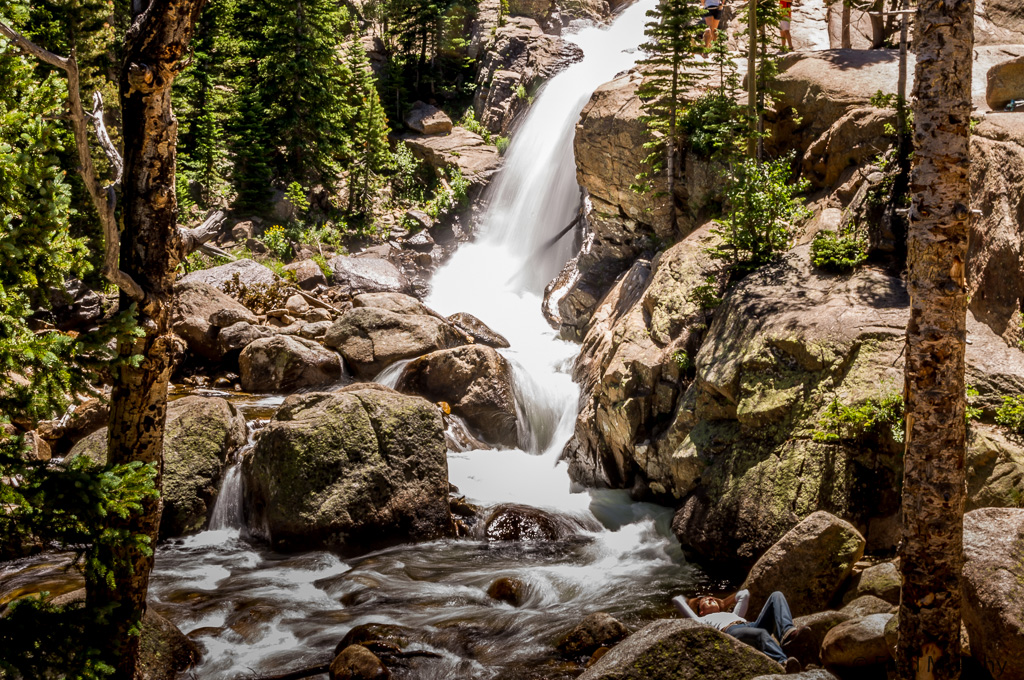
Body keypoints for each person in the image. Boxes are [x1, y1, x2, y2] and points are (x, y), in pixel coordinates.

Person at [673, 589, 806, 672]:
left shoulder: (736, 614)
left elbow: (744, 594)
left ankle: (788, 635)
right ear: (701, 612)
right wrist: (693, 601)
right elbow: (677, 600)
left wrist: (724, 602)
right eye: (705, 600)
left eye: (711, 598)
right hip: (731, 631)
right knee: (761, 634)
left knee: (776, 595)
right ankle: (784, 663)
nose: (709, 598)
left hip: (751, 625)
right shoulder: (699, 620)